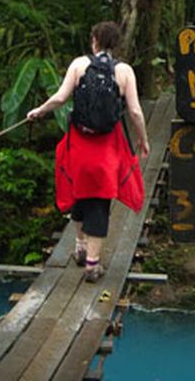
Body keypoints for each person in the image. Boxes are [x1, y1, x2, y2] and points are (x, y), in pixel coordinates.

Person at [27, 21, 150, 282]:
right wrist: (143, 139)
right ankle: (92, 265)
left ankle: (80, 246)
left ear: (94, 40)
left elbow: (60, 98)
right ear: (115, 43)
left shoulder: (78, 65)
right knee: (100, 200)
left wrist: (39, 111)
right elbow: (135, 111)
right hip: (106, 146)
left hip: (79, 144)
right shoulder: (125, 71)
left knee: (79, 191)